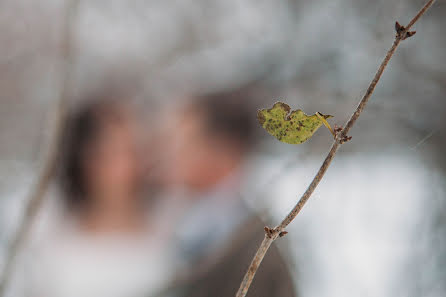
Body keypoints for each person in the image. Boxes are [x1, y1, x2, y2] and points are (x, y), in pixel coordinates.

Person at [10, 96, 173, 297]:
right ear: (84, 161)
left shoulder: (173, 219)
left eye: (137, 150)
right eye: (115, 153)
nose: (132, 165)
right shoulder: (46, 230)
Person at [159, 87, 297, 297]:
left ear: (224, 150)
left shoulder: (256, 245)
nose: (171, 152)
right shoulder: (171, 216)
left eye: (184, 142)